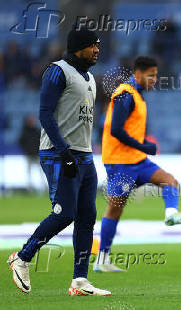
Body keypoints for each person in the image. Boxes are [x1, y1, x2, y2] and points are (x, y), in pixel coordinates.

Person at [7, 26, 111, 295]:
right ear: (78, 47)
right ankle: (22, 258)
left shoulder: (89, 77)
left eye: (98, 45)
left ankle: (79, 281)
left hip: (84, 155)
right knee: (65, 214)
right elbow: (45, 114)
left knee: (87, 216)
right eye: (93, 45)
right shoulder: (58, 71)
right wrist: (64, 151)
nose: (97, 49)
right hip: (58, 153)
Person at [95, 56, 181, 272]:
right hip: (120, 163)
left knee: (170, 181)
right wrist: (144, 146)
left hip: (137, 161)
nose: (154, 79)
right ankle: (101, 260)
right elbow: (115, 130)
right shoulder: (125, 94)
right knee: (114, 210)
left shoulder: (138, 95)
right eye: (151, 75)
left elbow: (128, 129)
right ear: (138, 74)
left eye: (156, 75)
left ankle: (171, 215)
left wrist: (142, 148)